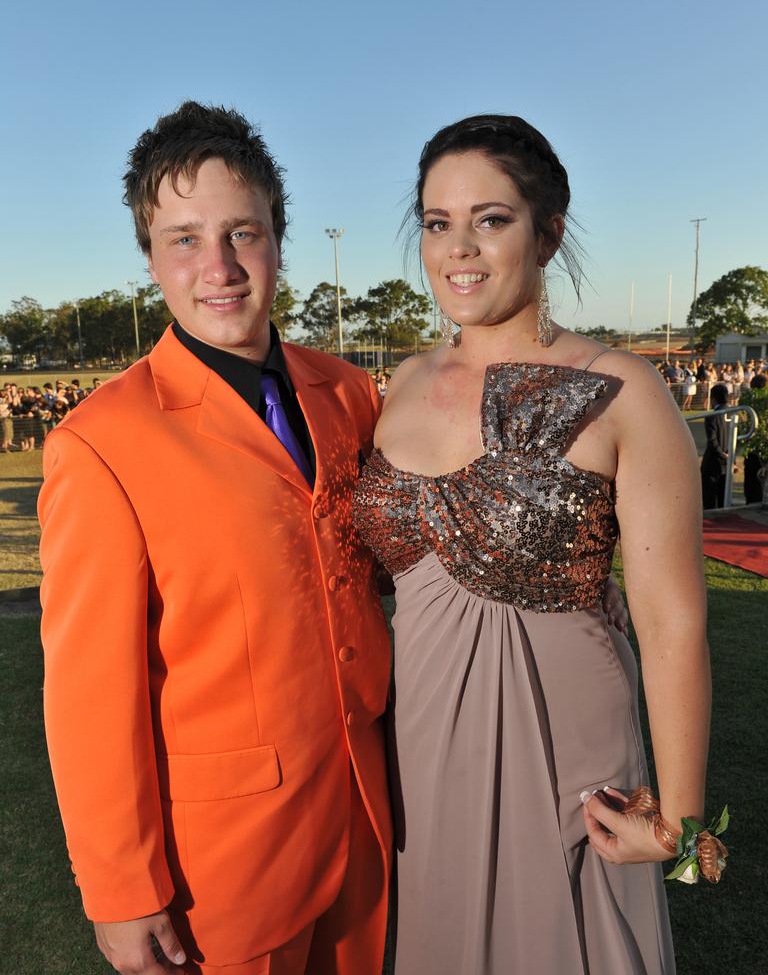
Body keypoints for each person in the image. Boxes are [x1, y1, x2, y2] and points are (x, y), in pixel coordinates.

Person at [38, 102, 393, 975]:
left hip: (372, 818)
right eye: (186, 239)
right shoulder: (99, 441)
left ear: (279, 239)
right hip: (225, 867)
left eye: (244, 232)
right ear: (150, 257)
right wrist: (120, 888)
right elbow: (89, 697)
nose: (221, 267)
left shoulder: (350, 395)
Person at [353, 115, 710, 974]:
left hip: (567, 749)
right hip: (424, 745)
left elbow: (672, 626)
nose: (457, 249)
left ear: (548, 230)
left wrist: (683, 823)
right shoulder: (401, 384)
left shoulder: (624, 389)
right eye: (437, 223)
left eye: (490, 218)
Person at [700, 383, 730, 509]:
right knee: (723, 498)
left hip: (712, 462)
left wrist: (721, 454)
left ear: (713, 398)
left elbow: (712, 441)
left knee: (709, 499)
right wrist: (728, 456)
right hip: (726, 462)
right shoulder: (735, 414)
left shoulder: (712, 416)